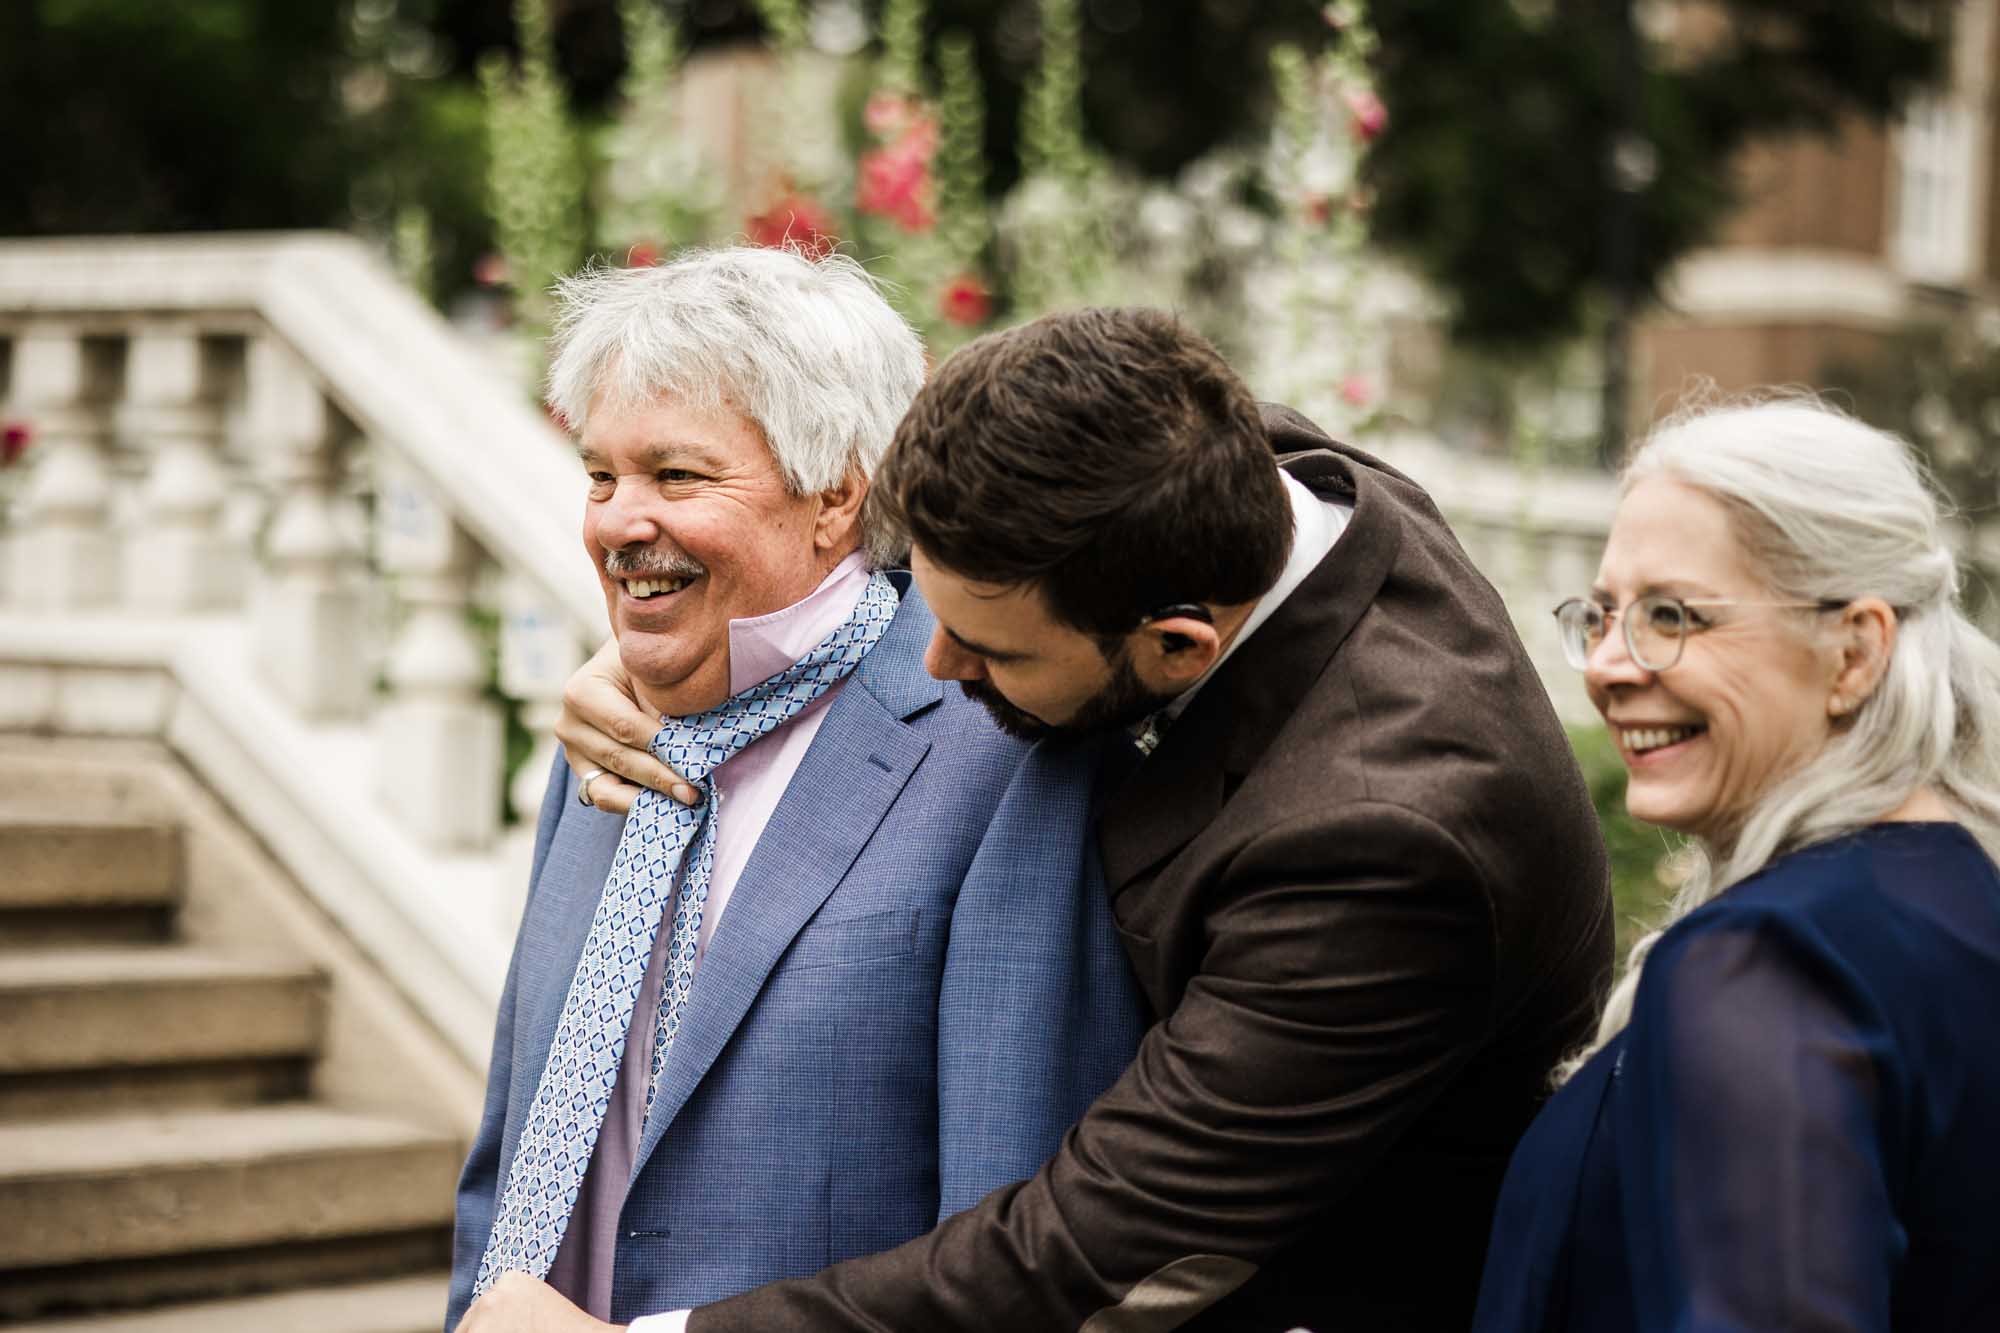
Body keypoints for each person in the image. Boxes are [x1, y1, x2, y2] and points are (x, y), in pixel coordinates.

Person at [554, 307, 1615, 1332]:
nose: (936, 661)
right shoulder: (1205, 461)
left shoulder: (1384, 843)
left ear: (1177, 647)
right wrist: (687, 646)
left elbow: (1093, 1245)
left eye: (992, 655)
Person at [445, 250, 1146, 1332]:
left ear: (832, 496)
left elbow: (1015, 1247)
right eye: (599, 475)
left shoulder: (1000, 753)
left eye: (676, 477)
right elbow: (513, 1141)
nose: (616, 522)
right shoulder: (604, 729)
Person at [1473, 397, 2000, 1331]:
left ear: (1855, 650)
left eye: (1673, 615)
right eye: (1602, 614)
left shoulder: (1771, 961)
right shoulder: (1959, 892)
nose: (1610, 663)